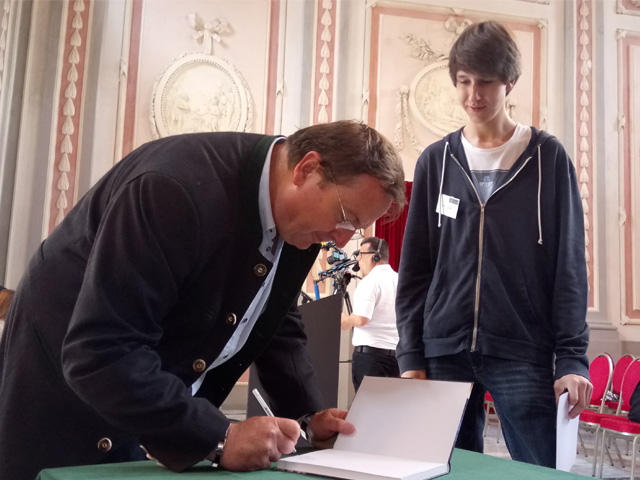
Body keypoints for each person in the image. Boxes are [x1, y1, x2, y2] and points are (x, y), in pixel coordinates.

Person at [0, 120, 406, 480]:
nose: (340, 239)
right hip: (64, 388)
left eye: (355, 228)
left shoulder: (302, 221)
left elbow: (276, 323)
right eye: (345, 217)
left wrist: (309, 418)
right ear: (307, 169)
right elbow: (101, 351)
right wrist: (218, 436)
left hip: (141, 391)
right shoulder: (173, 188)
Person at [395, 21, 592, 468]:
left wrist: (572, 359)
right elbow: (416, 268)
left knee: (539, 471)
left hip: (522, 350)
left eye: (485, 81)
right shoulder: (436, 161)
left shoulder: (547, 158)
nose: (473, 95)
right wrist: (411, 353)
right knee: (443, 471)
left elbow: (569, 266)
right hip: (443, 349)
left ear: (510, 82)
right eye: (463, 81)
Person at [341, 237, 399, 391]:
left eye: (361, 254)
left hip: (371, 359)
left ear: (375, 256)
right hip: (397, 358)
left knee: (367, 411)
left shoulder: (370, 282)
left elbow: (361, 319)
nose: (358, 259)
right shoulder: (399, 279)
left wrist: (344, 320)